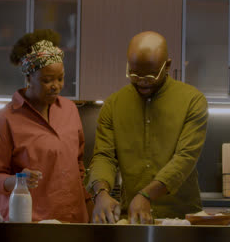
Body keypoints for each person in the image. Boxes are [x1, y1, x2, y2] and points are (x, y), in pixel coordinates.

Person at [87, 31, 208, 224]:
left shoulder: (193, 101)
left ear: (167, 66)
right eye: (134, 74)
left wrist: (147, 195)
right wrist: (100, 192)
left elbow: (185, 157)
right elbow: (104, 156)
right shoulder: (113, 105)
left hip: (182, 218)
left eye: (151, 75)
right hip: (133, 218)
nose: (142, 81)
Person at [0, 29, 92, 222]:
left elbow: (78, 164)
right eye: (46, 80)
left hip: (74, 220)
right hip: (30, 223)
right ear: (28, 79)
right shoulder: (4, 119)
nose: (56, 86)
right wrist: (17, 180)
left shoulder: (70, 110)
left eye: (60, 78)